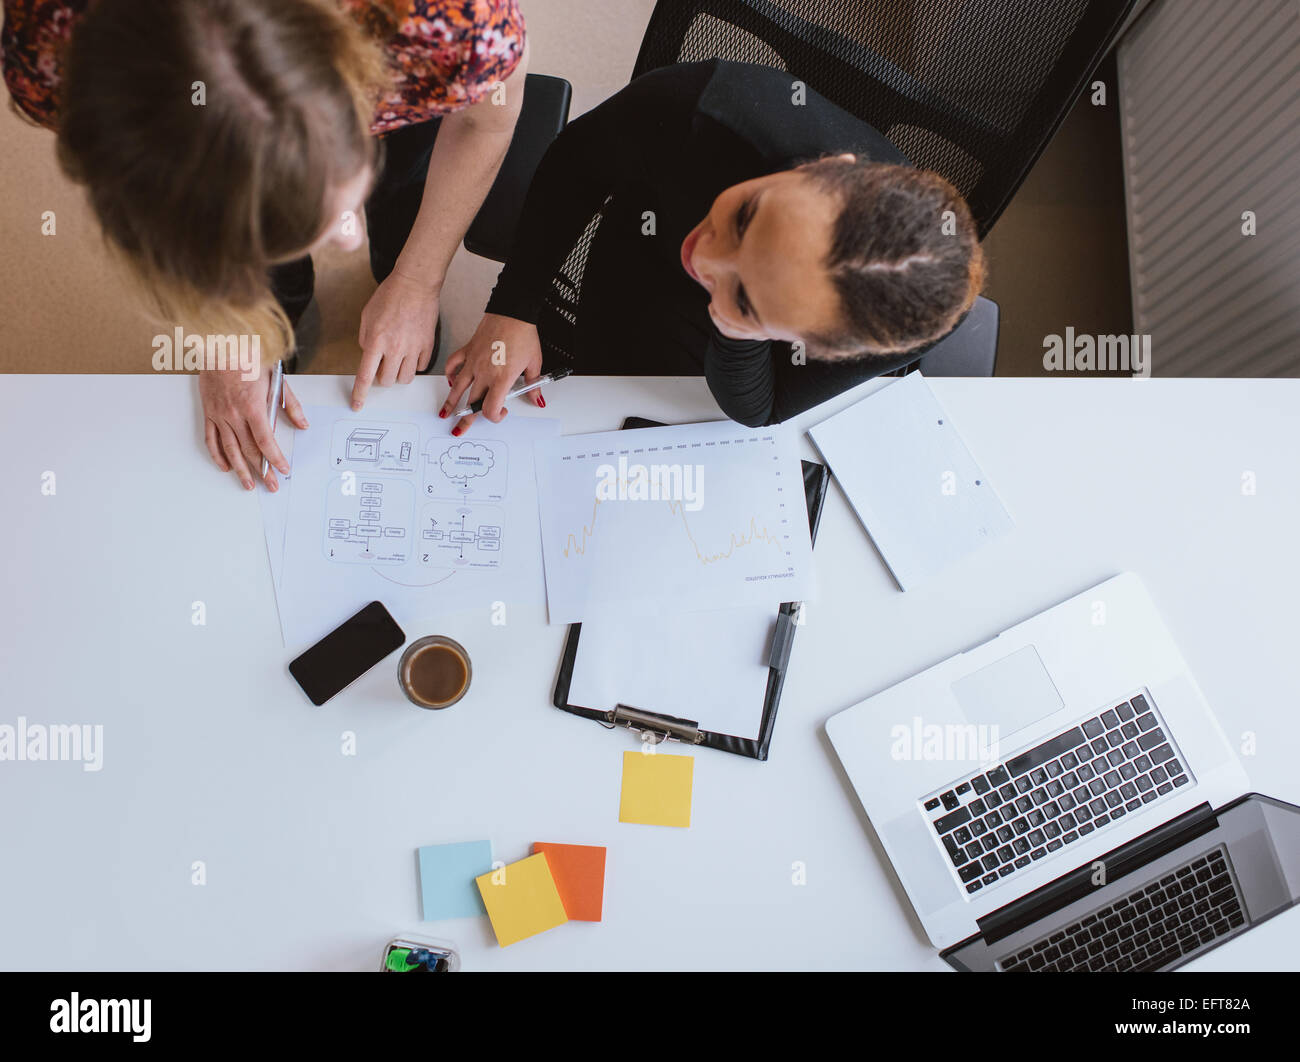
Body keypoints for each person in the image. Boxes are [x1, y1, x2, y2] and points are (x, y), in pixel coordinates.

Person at [2, 0, 527, 489]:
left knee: (402, 202)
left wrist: (417, 278)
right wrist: (224, 336)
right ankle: (286, 307)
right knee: (270, 271)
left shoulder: (453, 24)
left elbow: (482, 123)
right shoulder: (54, 59)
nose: (348, 237)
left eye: (339, 206)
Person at [442, 60, 986, 434]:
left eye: (748, 295)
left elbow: (763, 406)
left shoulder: (904, 320)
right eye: (748, 218)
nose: (702, 257)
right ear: (826, 166)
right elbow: (578, 160)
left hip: (731, 349)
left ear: (818, 350)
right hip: (645, 238)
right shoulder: (704, 109)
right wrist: (513, 307)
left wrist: (736, 325)